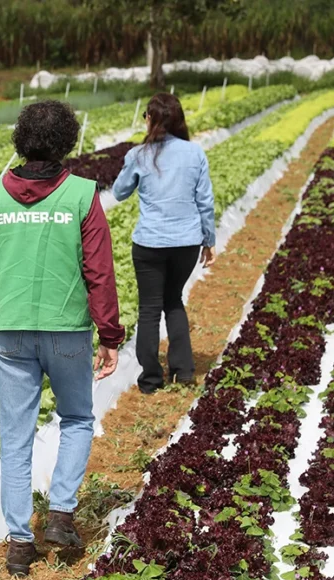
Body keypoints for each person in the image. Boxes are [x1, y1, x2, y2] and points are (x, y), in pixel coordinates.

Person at [0, 100, 125, 577]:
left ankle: (19, 543)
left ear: (20, 141)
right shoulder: (81, 195)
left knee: (15, 435)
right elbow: (99, 270)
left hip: (10, 331)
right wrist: (110, 333)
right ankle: (61, 514)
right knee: (75, 418)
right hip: (67, 328)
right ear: (68, 141)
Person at [111, 92, 216, 394]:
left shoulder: (139, 155)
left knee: (148, 309)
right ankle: (183, 372)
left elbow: (118, 193)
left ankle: (151, 379)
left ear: (150, 119)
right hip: (186, 243)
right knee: (174, 301)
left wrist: (130, 166)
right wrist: (208, 240)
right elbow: (205, 202)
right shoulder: (194, 153)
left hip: (150, 244)